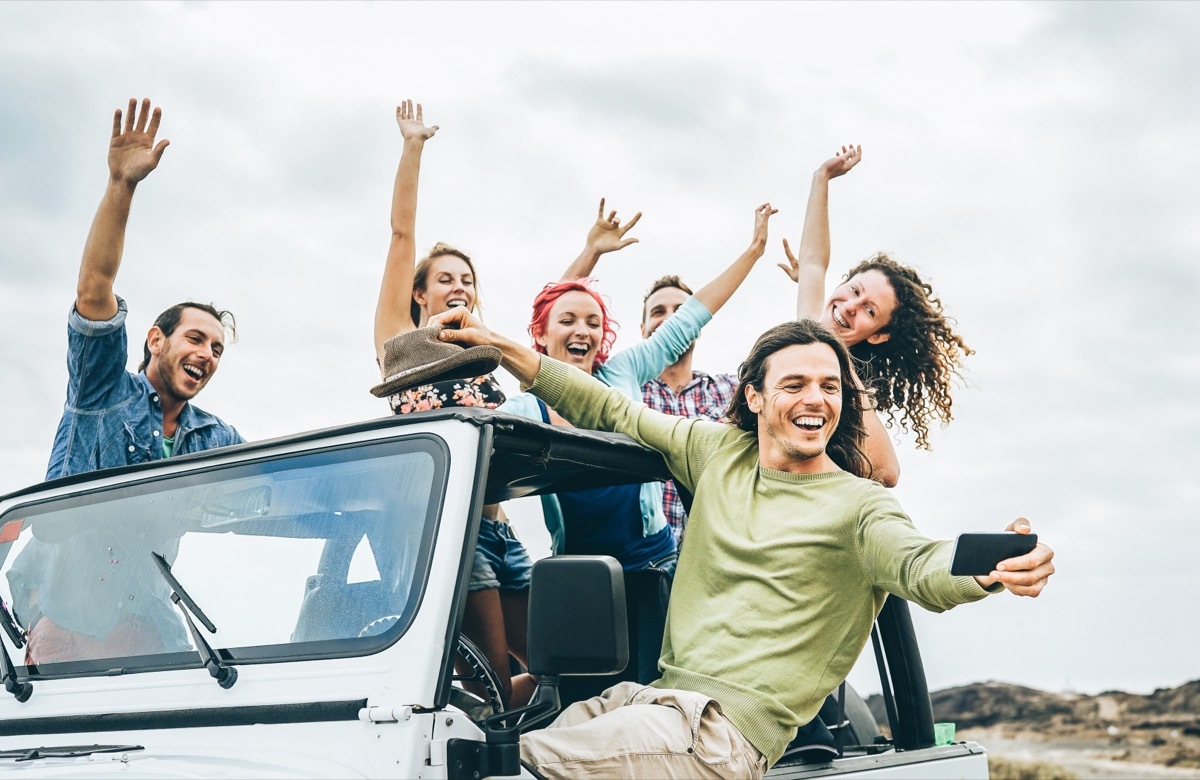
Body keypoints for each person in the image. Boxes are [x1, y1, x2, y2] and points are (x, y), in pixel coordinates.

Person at [431, 307, 1055, 779]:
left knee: (502, 770)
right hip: (651, 701)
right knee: (458, 746)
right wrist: (505, 348)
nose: (815, 399)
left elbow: (922, 565)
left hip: (722, 736)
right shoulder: (718, 452)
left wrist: (993, 566)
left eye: (830, 386)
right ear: (755, 396)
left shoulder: (860, 507)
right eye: (795, 384)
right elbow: (611, 411)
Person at [371, 102, 642, 708]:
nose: (459, 287)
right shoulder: (401, 344)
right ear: (419, 292)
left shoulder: (485, 352)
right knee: (490, 683)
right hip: (451, 533)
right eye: (444, 279)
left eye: (467, 280)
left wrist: (591, 253)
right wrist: (413, 147)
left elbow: (549, 325)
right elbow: (401, 237)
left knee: (563, 670)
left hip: (501, 531)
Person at [498, 204, 776, 684]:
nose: (581, 331)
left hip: (651, 563)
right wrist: (589, 254)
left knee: (654, 683)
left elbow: (692, 316)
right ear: (540, 336)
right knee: (590, 689)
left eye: (593, 323)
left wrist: (753, 252)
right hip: (581, 572)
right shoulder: (528, 409)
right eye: (568, 322)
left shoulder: (622, 373)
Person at [12, 98, 242, 665]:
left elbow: (280, 492)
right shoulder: (103, 393)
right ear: (155, 341)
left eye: (217, 349)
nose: (207, 354)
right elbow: (95, 291)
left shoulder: (215, 437)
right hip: (73, 627)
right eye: (195, 339)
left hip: (154, 627)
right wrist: (122, 185)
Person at [778, 145, 973, 451]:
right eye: (855, 291)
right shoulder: (808, 327)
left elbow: (889, 472)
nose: (851, 307)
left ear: (880, 335)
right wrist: (822, 177)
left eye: (869, 310)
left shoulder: (850, 392)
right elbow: (814, 262)